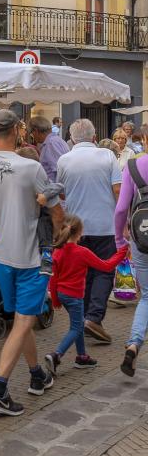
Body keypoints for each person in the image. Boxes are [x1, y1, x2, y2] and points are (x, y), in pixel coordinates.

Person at [0, 109, 63, 417]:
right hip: (31, 257)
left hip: (3, 257)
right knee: (25, 322)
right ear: (16, 130)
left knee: (20, 322)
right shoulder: (30, 167)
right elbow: (55, 211)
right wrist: (61, 233)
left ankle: (37, 374)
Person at [56, 119, 122, 344]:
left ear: (72, 139)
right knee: (104, 272)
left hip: (76, 228)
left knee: (82, 273)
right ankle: (93, 318)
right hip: (105, 225)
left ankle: (84, 319)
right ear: (94, 137)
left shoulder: (64, 160)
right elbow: (117, 190)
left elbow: (61, 193)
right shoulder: (107, 156)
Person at [45, 214, 127, 377]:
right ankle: (56, 355)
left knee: (79, 323)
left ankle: (82, 357)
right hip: (75, 297)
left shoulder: (57, 251)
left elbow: (52, 278)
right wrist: (122, 252)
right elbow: (106, 266)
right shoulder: (83, 252)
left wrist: (55, 298)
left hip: (62, 294)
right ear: (80, 233)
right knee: (76, 328)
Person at [114, 126, 148, 376]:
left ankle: (135, 343)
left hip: (141, 236)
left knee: (146, 296)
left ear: (144, 139)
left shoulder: (134, 166)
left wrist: (119, 239)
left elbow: (120, 209)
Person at [29, 115, 70, 183]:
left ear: (36, 131)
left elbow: (59, 171)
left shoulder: (51, 143)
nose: (32, 136)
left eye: (31, 133)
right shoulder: (55, 140)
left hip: (56, 191)